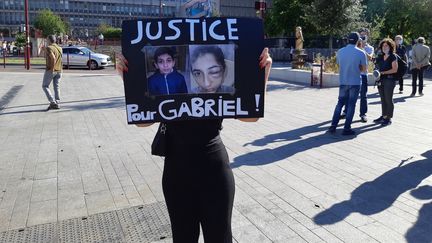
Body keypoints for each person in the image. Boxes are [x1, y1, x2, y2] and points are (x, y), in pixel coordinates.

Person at [117, 47, 272, 242]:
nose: (205, 79)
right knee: (183, 238)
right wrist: (129, 79)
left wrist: (263, 75)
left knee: (219, 238)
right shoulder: (170, 84)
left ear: (223, 70)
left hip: (214, 172)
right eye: (198, 72)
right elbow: (142, 121)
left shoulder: (219, 92)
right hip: (177, 174)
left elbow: (252, 116)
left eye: (214, 71)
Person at [328, 32, 367, 136]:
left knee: (340, 103)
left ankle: (333, 127)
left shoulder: (340, 51)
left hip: (343, 81)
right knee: (351, 105)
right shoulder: (361, 53)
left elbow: (339, 65)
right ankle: (346, 128)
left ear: (347, 40)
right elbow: (364, 70)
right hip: (355, 82)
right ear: (358, 40)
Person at [374, 38, 399, 126]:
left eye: (386, 46)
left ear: (390, 47)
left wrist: (383, 72)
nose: (384, 47)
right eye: (383, 46)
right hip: (381, 80)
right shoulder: (381, 56)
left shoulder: (393, 56)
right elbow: (372, 60)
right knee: (383, 99)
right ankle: (384, 116)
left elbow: (395, 69)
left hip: (390, 80)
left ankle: (388, 118)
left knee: (388, 99)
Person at [42, 35, 63, 110]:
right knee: (56, 87)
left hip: (51, 70)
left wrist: (52, 68)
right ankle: (57, 102)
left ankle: (52, 102)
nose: (46, 41)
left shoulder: (49, 48)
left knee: (45, 86)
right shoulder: (60, 48)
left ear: (49, 40)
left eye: (47, 40)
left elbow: (53, 57)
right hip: (59, 70)